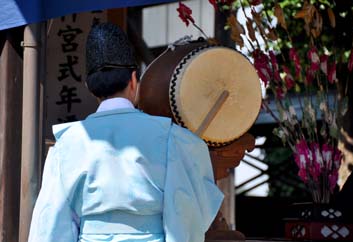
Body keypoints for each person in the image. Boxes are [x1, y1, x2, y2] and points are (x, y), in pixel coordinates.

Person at [28, 23, 223, 242]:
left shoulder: (66, 145)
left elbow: (51, 227)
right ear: (133, 80)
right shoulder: (172, 140)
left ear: (89, 86)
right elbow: (189, 219)